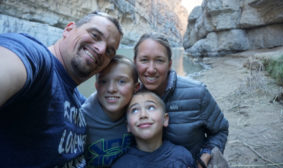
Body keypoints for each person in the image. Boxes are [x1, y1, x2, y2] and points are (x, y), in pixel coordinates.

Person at [0, 11, 123, 167]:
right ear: (69, 29)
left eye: (110, 51)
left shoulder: (79, 101)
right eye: (95, 35)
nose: (101, 49)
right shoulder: (37, 59)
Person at [133, 33, 229, 168]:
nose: (151, 69)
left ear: (169, 64)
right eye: (144, 60)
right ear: (135, 62)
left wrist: (205, 157)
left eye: (159, 60)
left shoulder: (197, 93)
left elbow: (220, 130)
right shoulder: (130, 98)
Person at [112, 90, 197, 168]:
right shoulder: (122, 165)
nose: (143, 115)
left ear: (165, 119)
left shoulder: (182, 156)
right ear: (128, 126)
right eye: (134, 110)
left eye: (151, 107)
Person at [82, 55, 140, 167]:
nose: (111, 89)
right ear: (96, 86)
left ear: (136, 88)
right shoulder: (81, 120)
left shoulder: (140, 115)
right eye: (103, 81)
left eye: (122, 81)